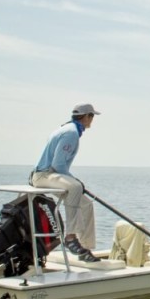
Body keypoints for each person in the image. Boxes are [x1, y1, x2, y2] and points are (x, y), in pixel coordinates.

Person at [30, 103, 101, 264]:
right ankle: (71, 237)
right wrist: (74, 180)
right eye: (92, 116)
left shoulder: (69, 129)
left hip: (52, 175)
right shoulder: (71, 133)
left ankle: (85, 248)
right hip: (43, 175)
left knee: (86, 204)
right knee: (75, 187)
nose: (92, 120)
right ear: (85, 116)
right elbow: (58, 164)